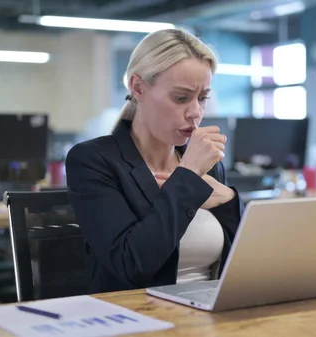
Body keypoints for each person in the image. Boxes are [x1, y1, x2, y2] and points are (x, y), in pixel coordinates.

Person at [65, 28, 244, 294]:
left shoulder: (208, 164)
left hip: (212, 313)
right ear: (138, 87)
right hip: (140, 317)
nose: (195, 113)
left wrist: (229, 200)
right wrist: (188, 180)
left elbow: (241, 265)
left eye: (203, 98)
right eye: (181, 98)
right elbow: (132, 265)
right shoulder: (93, 161)